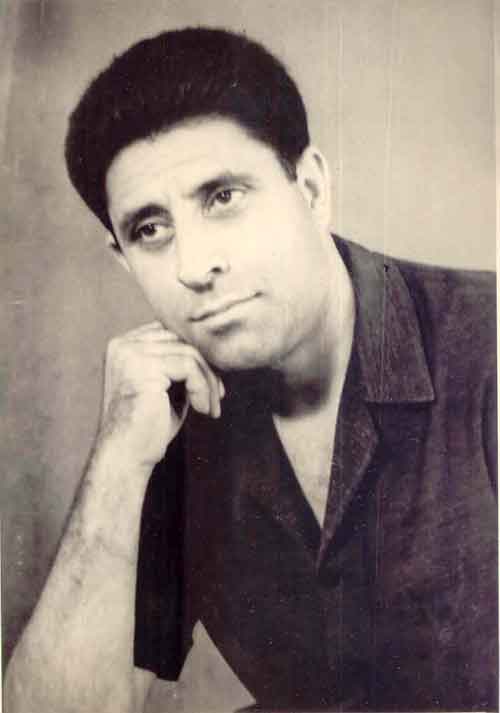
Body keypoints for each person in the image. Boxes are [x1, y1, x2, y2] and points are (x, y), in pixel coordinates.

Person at [4, 27, 497, 713]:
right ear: (122, 259)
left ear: (311, 188)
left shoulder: (485, 343)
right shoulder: (165, 420)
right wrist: (118, 462)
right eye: (150, 229)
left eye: (223, 197)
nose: (192, 265)